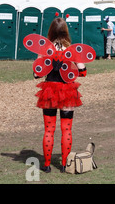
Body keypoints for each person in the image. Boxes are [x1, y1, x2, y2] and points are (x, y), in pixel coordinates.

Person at [33, 17, 88, 173]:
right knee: (66, 129)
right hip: (67, 92)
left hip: (49, 90)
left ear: (51, 31)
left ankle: (47, 165)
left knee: (49, 130)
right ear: (66, 31)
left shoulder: (45, 49)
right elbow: (82, 71)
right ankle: (64, 164)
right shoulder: (70, 48)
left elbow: (37, 73)